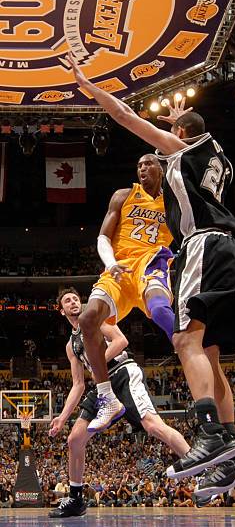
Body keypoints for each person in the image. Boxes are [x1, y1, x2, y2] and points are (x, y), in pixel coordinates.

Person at [68, 56, 235, 497]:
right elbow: (223, 217)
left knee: (185, 341)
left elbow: (125, 115)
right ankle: (231, 453)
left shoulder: (182, 150)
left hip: (201, 248)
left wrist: (89, 86)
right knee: (209, 352)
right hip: (228, 248)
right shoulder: (219, 161)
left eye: (173, 135)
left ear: (181, 136)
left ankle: (208, 433)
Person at [48, 287, 191, 518]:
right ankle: (75, 499)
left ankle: (201, 467)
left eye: (76, 298)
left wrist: (97, 364)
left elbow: (121, 340)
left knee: (153, 426)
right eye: (68, 300)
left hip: (123, 373)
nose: (74, 302)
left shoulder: (94, 320)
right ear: (61, 310)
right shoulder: (71, 346)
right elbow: (78, 385)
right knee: (75, 439)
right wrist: (62, 418)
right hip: (101, 384)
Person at [77, 153, 175, 433]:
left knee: (160, 312)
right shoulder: (123, 195)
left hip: (151, 264)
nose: (143, 168)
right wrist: (110, 263)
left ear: (162, 169)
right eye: (139, 164)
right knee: (87, 320)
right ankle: (107, 397)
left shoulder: (174, 202)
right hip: (119, 268)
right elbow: (103, 237)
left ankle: (188, 348)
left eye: (149, 164)